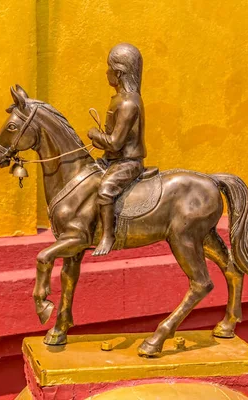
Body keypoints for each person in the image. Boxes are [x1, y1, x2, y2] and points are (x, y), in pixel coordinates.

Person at [88, 43, 147, 256]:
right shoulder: (119, 100)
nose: (106, 73)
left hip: (127, 162)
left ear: (119, 72)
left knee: (105, 191)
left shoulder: (129, 104)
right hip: (113, 159)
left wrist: (95, 134)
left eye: (109, 68)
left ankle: (107, 236)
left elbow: (115, 142)